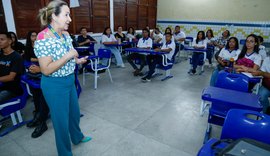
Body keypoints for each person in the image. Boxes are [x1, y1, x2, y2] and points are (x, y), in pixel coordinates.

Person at [34, 1, 91, 155]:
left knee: (74, 113)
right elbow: (45, 69)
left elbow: (70, 54)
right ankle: (64, 152)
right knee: (60, 121)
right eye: (66, 15)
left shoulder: (65, 34)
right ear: (54, 16)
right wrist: (68, 56)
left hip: (69, 80)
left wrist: (77, 60)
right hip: (54, 84)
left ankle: (77, 137)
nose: (69, 19)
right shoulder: (43, 37)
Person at [24, 30, 49, 138]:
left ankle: (41, 120)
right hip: (41, 72)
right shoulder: (32, 47)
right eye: (33, 36)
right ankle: (38, 115)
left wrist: (40, 69)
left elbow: (50, 63)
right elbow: (27, 58)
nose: (35, 38)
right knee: (35, 92)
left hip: (49, 75)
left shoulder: (47, 45)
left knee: (43, 95)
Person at [0, 32, 24, 103]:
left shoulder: (16, 57)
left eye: (2, 39)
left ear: (10, 41)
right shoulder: (1, 55)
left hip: (12, 89)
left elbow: (11, 77)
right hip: (2, 85)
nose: (0, 42)